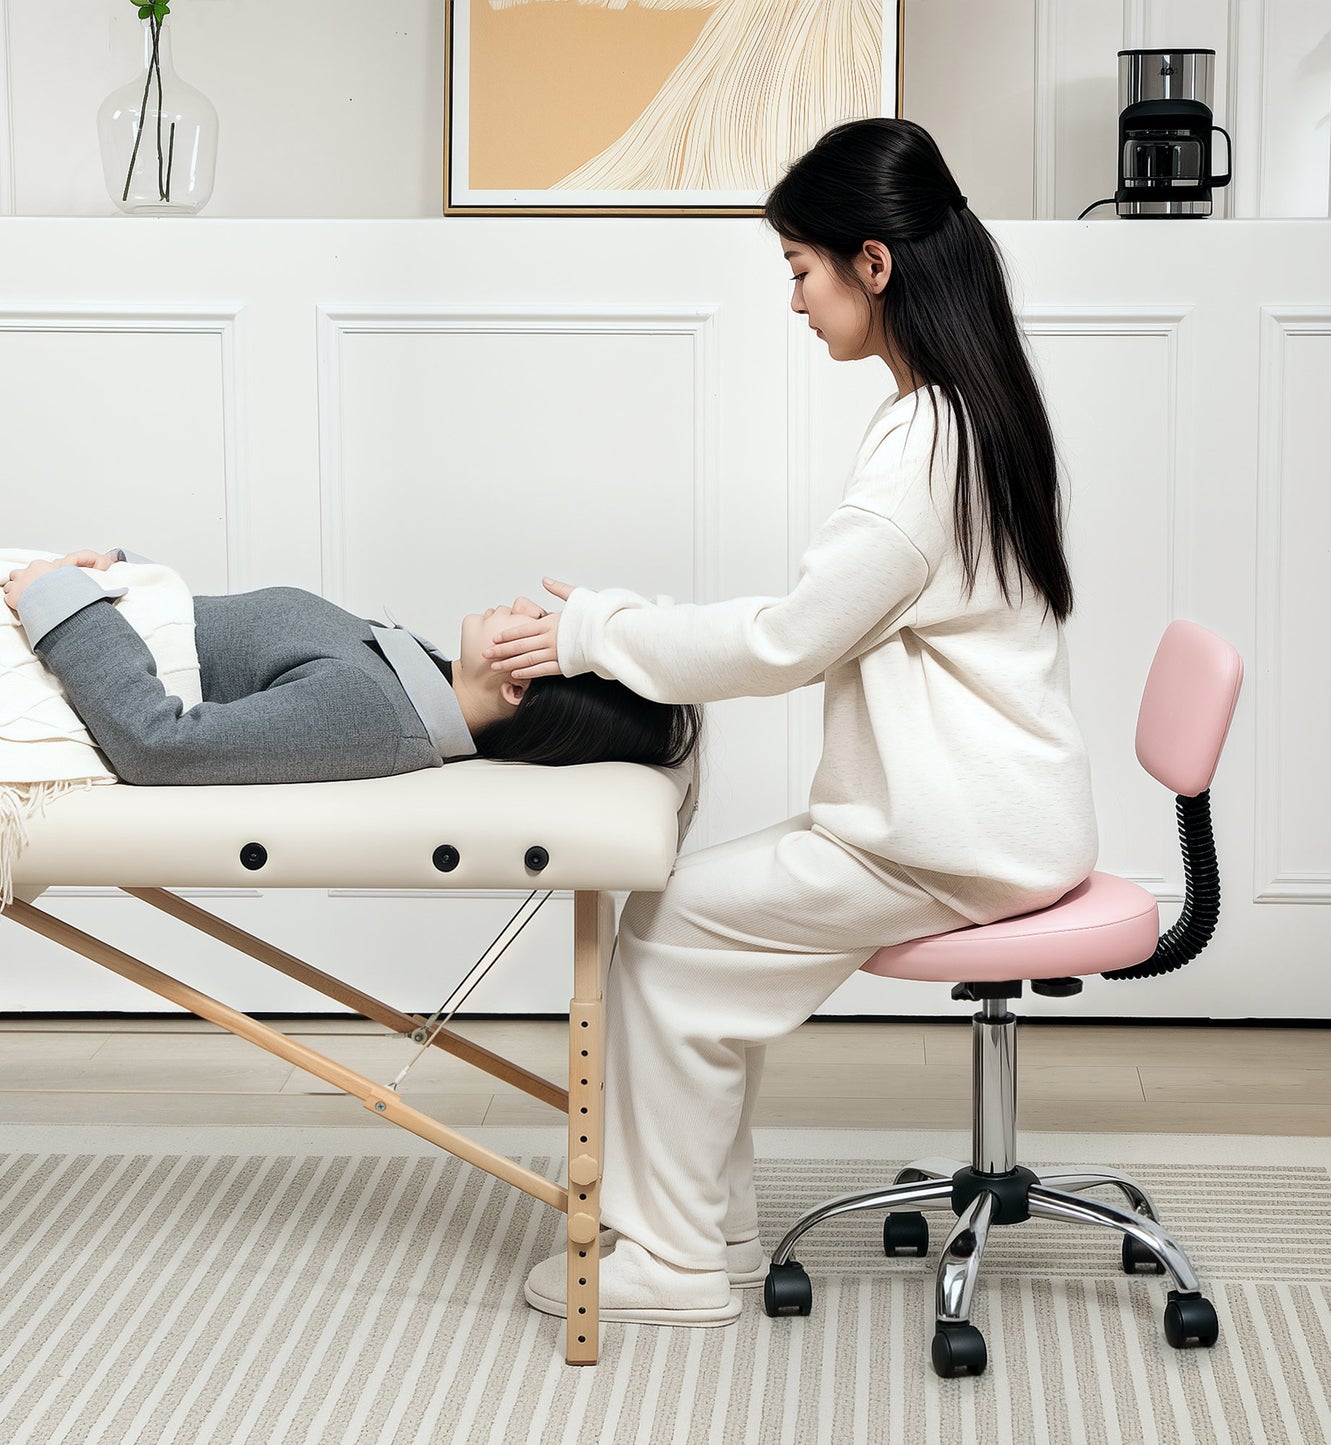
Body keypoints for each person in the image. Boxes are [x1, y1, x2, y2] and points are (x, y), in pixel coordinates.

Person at [491, 117, 1101, 1327]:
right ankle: (700, 1235)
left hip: (950, 838)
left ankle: (675, 1264)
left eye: (799, 270)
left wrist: (591, 631)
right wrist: (630, 622)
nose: (793, 299)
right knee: (688, 937)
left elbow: (786, 639)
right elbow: (818, 618)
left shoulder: (926, 438)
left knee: (665, 932)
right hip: (988, 818)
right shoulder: (971, 409)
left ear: (872, 264)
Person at [1, 548, 701, 785]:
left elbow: (161, 745)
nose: (523, 602)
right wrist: (122, 574)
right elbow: (220, 651)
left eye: (542, 624)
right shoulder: (397, 670)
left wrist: (61, 601)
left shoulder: (368, 712)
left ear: (519, 684)